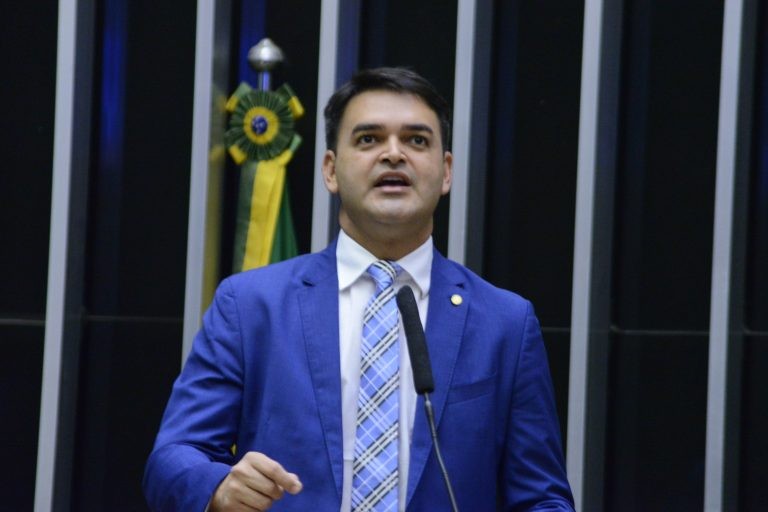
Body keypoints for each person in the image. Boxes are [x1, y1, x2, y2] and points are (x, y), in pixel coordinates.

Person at [143, 67, 575, 511]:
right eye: (368, 139)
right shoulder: (252, 306)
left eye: (417, 140)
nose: (393, 155)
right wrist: (217, 486)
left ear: (446, 172)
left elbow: (543, 497)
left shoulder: (506, 323)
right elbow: (172, 459)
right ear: (330, 170)